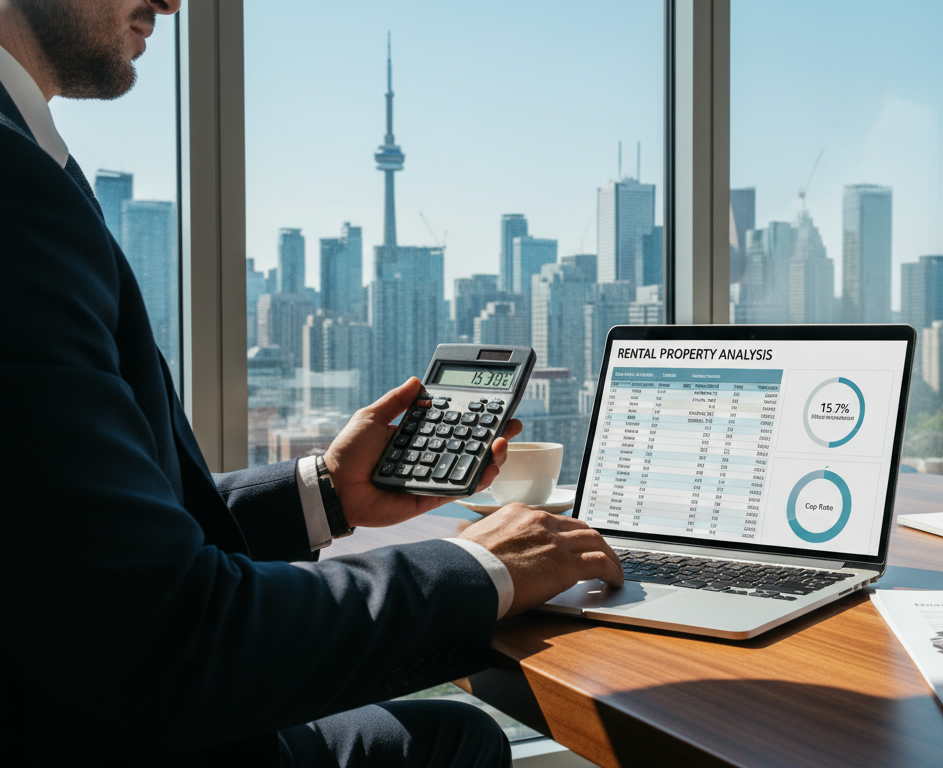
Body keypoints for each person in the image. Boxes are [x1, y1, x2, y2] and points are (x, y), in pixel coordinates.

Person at [0, 1, 623, 765]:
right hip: (96, 732)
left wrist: (325, 490)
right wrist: (479, 567)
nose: (171, 2)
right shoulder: (13, 184)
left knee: (452, 734)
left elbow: (72, 536)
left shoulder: (32, 163)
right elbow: (164, 641)